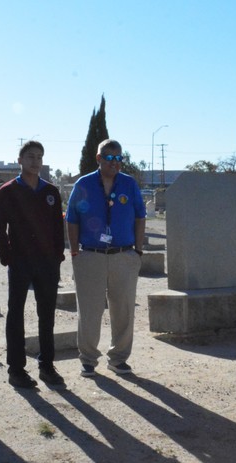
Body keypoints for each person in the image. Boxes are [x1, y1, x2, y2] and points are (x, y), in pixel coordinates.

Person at [65, 139, 145, 377]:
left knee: (124, 309)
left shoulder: (129, 184)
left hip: (123, 255)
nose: (115, 162)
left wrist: (138, 251)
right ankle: (88, 359)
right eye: (109, 158)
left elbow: (140, 217)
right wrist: (75, 252)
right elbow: (72, 219)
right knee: (89, 310)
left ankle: (118, 359)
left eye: (119, 158)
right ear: (98, 159)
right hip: (91, 255)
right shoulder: (84, 184)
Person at [0, 140, 66, 389]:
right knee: (16, 314)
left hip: (47, 263)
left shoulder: (50, 192)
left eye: (39, 157)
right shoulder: (8, 191)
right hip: (20, 261)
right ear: (20, 160)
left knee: (46, 315)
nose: (35, 161)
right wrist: (7, 253)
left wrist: (57, 256)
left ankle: (47, 365)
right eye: (31, 157)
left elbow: (58, 227)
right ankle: (16, 369)